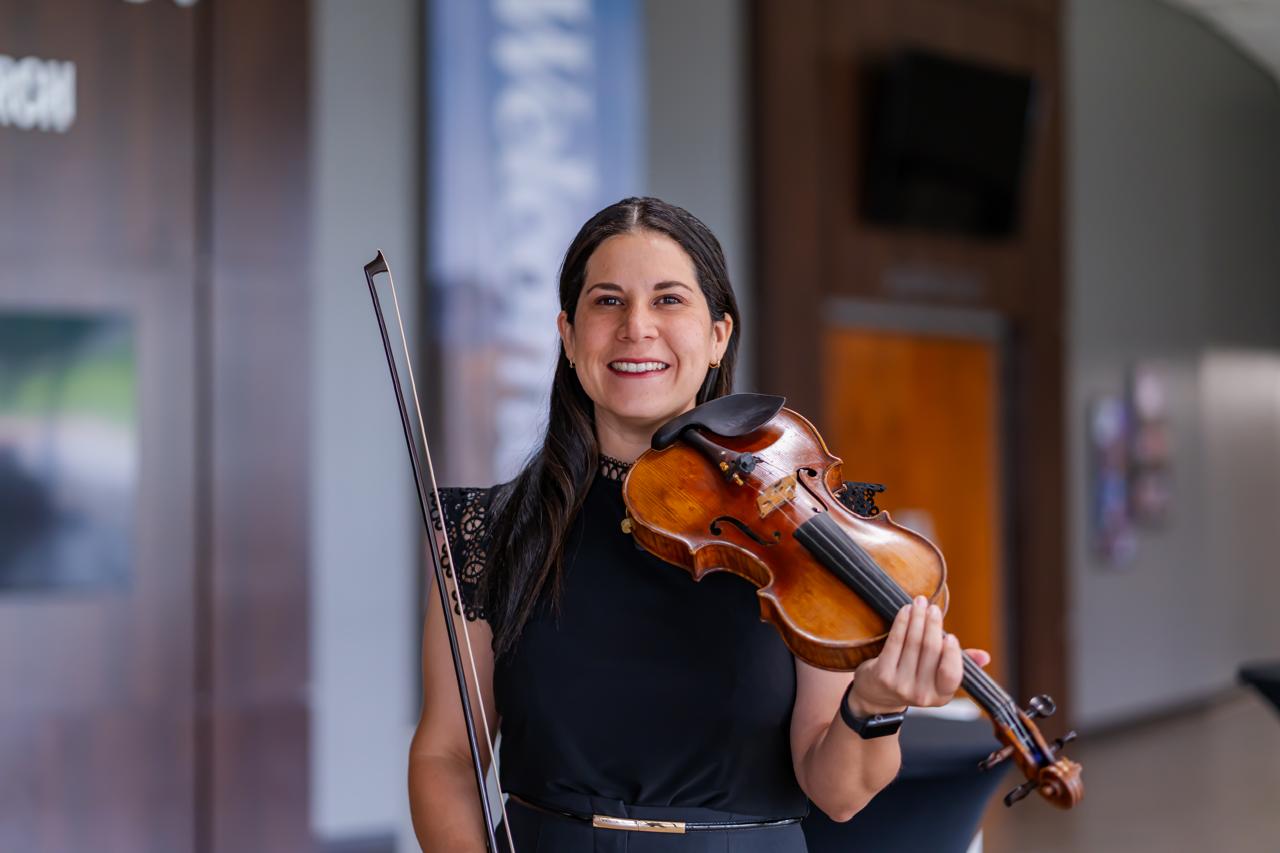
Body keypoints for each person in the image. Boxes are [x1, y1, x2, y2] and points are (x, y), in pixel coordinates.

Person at [408, 197, 990, 852]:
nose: (636, 327)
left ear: (719, 335)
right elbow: (446, 756)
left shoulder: (805, 528)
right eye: (607, 301)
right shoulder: (489, 531)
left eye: (668, 299)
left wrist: (875, 705)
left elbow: (839, 790)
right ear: (568, 335)